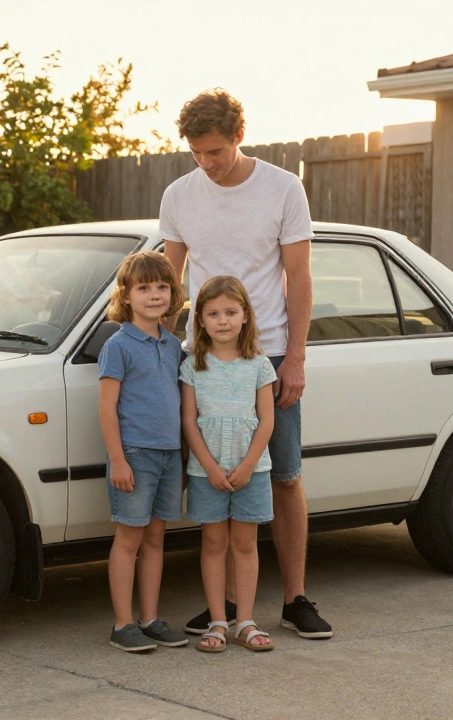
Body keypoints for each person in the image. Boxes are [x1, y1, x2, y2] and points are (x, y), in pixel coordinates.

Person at [161, 89, 333, 639]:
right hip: (203, 358)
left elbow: (299, 277)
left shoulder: (283, 188)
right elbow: (169, 280)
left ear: (239, 135)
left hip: (270, 351)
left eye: (214, 150)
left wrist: (297, 358)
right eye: (196, 152)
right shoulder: (179, 195)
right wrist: (160, 351)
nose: (206, 163)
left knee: (282, 476)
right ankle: (227, 606)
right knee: (211, 479)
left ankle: (296, 598)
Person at [97, 251, 189, 653]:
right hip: (134, 454)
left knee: (156, 538)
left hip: (170, 454)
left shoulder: (173, 346)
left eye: (162, 287)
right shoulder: (118, 345)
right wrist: (117, 458)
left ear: (173, 294)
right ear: (127, 296)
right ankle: (123, 624)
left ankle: (150, 619)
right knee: (129, 539)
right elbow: (106, 407)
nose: (155, 295)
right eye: (144, 288)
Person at [181, 276, 276, 653]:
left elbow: (267, 420)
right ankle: (218, 621)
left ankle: (246, 620)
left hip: (252, 469)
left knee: (245, 545)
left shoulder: (259, 364)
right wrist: (210, 466)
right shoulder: (193, 365)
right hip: (208, 472)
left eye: (230, 312)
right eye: (213, 313)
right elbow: (189, 421)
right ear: (200, 321)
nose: (223, 320)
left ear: (245, 316)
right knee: (214, 543)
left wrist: (248, 465)